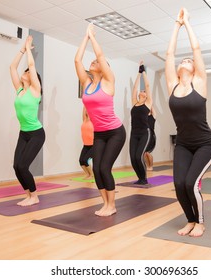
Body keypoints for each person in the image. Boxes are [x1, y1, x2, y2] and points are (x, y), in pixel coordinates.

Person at [165, 8, 211, 237]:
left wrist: (187, 24)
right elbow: (169, 54)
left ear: (194, 68)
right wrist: (175, 26)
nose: (185, 60)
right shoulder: (172, 85)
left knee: (190, 183)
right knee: (178, 185)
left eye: (189, 61)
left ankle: (201, 222)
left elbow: (196, 49)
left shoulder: (200, 82)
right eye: (182, 60)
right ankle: (190, 220)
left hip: (206, 143)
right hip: (184, 144)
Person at [75, 23, 126, 217]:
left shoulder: (108, 81)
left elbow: (102, 57)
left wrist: (93, 37)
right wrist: (85, 38)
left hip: (115, 132)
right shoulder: (87, 84)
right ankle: (105, 203)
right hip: (99, 133)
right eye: (94, 61)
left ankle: (112, 205)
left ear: (105, 69)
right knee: (96, 168)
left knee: (105, 167)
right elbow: (77, 61)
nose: (94, 62)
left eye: (97, 63)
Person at [10, 35, 45, 206]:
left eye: (28, 73)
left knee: (23, 166)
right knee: (16, 166)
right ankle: (28, 195)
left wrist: (29, 46)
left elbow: (31, 65)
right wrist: (22, 50)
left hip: (37, 133)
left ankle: (35, 196)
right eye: (24, 72)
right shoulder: (19, 90)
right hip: (23, 133)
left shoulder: (35, 90)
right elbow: (12, 67)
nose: (25, 73)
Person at [129, 60, 153, 184]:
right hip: (134, 134)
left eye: (143, 91)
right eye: (141, 91)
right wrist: (138, 73)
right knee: (133, 158)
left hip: (144, 133)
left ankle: (144, 179)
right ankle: (139, 178)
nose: (142, 91)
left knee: (139, 156)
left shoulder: (148, 104)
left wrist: (143, 72)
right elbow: (134, 88)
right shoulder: (134, 102)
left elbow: (148, 86)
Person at [79, 106, 94, 179]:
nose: (86, 112)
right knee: (81, 161)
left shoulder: (94, 121)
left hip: (93, 145)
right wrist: (85, 103)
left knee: (86, 160)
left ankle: (91, 174)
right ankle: (87, 174)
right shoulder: (84, 120)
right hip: (86, 145)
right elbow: (84, 109)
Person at [144, 106, 156, 171]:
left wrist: (150, 101)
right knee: (144, 153)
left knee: (148, 152)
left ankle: (151, 166)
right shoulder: (143, 117)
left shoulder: (153, 116)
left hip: (151, 136)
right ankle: (148, 166)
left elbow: (152, 107)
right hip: (144, 136)